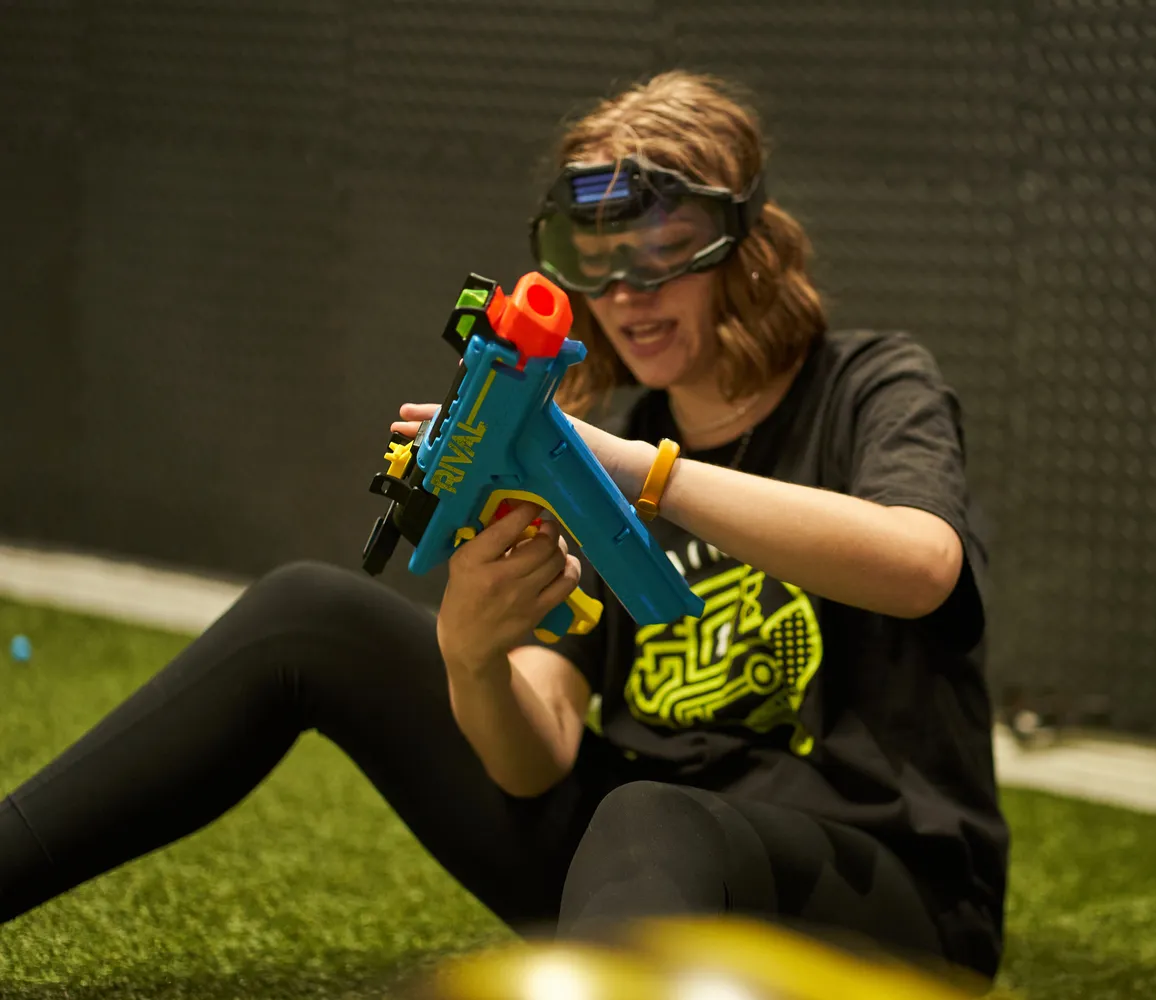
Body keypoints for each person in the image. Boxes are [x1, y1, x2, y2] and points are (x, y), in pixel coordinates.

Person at [0, 70, 1008, 982]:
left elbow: (920, 563)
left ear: (744, 246)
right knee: (307, 613)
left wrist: (633, 472)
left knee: (647, 814)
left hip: (889, 896)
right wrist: (472, 655)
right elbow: (540, 753)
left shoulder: (872, 385)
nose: (625, 295)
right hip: (644, 871)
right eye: (596, 261)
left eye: (663, 252)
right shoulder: (622, 435)